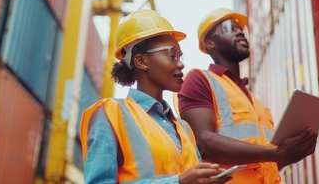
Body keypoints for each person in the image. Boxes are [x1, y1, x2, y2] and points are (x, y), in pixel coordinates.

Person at [80, 10, 231, 184]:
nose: (181, 64)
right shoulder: (110, 114)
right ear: (141, 61)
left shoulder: (184, 128)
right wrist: (179, 182)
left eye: (180, 56)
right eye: (171, 55)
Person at [177, 8, 319, 183]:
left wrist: (291, 152)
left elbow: (268, 161)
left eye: (241, 29)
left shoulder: (256, 102)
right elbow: (202, 141)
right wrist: (276, 153)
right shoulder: (199, 79)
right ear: (210, 43)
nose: (240, 32)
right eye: (230, 27)